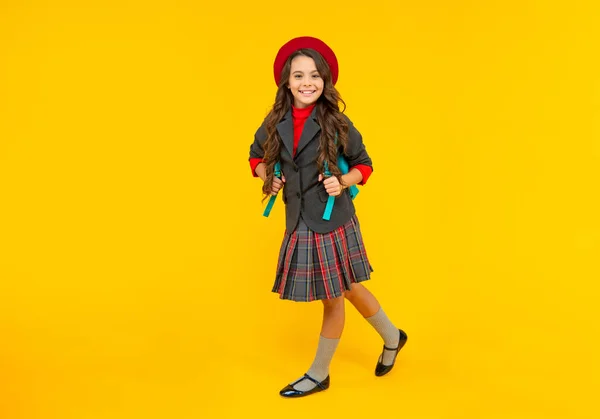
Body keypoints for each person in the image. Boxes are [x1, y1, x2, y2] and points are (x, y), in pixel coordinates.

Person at [248, 36, 407, 398]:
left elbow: (365, 166)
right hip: (299, 219)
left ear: (326, 81)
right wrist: (267, 177)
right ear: (286, 81)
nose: (308, 82)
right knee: (347, 288)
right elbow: (256, 156)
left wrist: (343, 180)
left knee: (334, 297)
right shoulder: (275, 121)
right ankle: (393, 336)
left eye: (316, 75)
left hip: (333, 220)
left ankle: (319, 374)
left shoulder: (338, 123)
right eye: (299, 75)